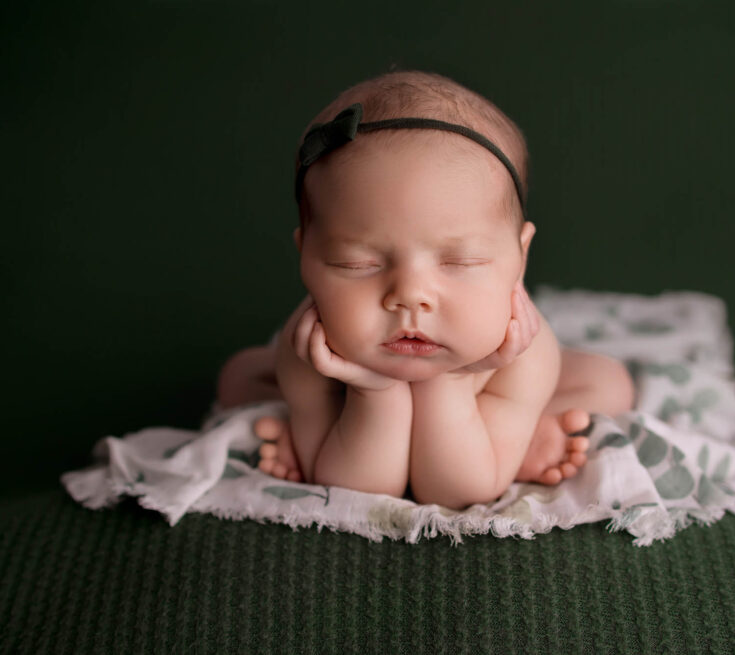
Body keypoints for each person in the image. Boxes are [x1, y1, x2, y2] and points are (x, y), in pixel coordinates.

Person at [216, 70, 635, 509]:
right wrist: (371, 392)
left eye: (460, 262)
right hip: (344, 391)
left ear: (520, 256)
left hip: (488, 383)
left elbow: (461, 491)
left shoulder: (523, 353)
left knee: (609, 385)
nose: (410, 296)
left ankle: (518, 430)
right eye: (358, 264)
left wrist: (453, 381)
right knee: (238, 378)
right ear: (307, 258)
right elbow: (358, 493)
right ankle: (313, 428)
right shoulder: (310, 352)